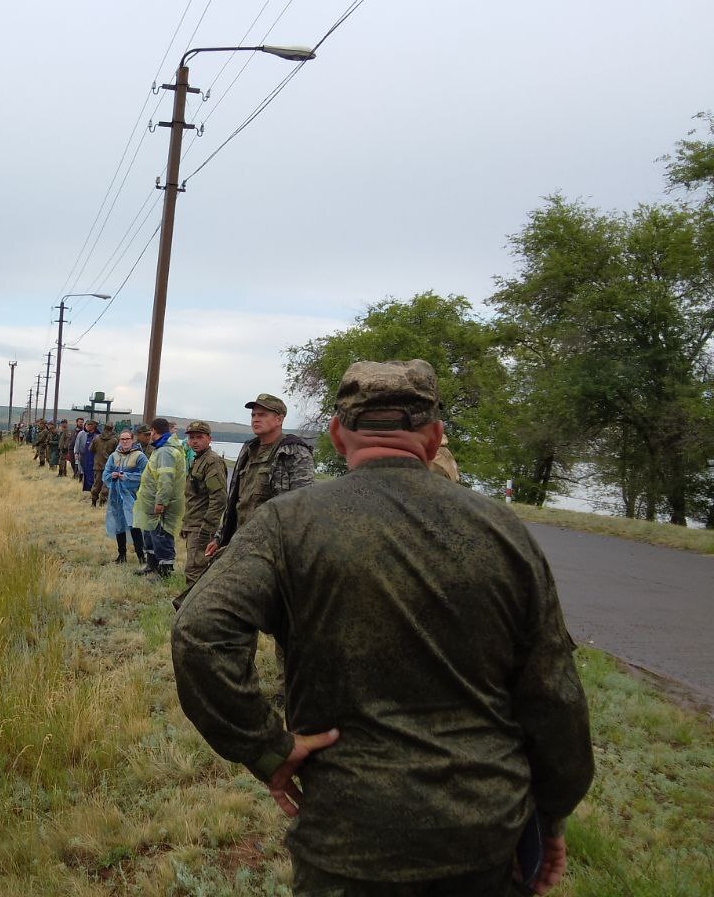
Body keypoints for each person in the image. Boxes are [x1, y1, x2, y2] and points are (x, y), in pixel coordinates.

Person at [172, 360, 593, 896]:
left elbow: (200, 634)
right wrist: (552, 816)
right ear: (435, 435)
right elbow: (555, 695)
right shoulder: (504, 530)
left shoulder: (287, 524)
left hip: (347, 837)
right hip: (485, 832)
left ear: (336, 434)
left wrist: (265, 746)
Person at [205, 393, 313, 560]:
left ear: (279, 419)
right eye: (253, 415)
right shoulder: (248, 450)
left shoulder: (293, 452)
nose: (256, 419)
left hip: (270, 549)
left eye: (262, 415)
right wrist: (220, 536)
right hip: (239, 541)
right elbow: (236, 501)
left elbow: (301, 508)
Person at [132, 416, 186, 578]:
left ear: (154, 431)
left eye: (151, 432)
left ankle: (165, 572)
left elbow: (165, 480)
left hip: (161, 504)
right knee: (150, 534)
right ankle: (151, 564)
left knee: (162, 535)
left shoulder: (165, 451)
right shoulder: (161, 448)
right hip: (151, 502)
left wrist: (161, 502)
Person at [180, 421, 227, 589]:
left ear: (209, 439)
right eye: (191, 437)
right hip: (194, 523)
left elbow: (219, 498)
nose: (194, 441)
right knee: (195, 569)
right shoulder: (198, 459)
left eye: (199, 437)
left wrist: (207, 527)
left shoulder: (212, 461)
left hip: (202, 526)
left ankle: (192, 612)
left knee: (195, 571)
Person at [103, 428, 148, 564]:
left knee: (134, 524)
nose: (124, 441)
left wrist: (127, 477)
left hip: (132, 496)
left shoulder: (139, 456)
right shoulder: (114, 456)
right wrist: (112, 475)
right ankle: (121, 555)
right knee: (119, 525)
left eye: (127, 439)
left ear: (132, 439)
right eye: (122, 439)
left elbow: (146, 475)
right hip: (116, 497)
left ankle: (141, 556)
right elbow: (105, 474)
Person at [88, 421, 117, 507]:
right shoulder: (114, 440)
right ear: (112, 429)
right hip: (110, 466)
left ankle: (93, 503)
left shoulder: (96, 438)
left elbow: (91, 449)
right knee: (106, 486)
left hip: (98, 465)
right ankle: (102, 504)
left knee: (96, 484)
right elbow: (117, 453)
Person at [72, 418, 88, 485]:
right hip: (81, 453)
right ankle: (80, 480)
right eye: (87, 425)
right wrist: (76, 453)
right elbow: (77, 443)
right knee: (80, 467)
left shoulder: (94, 435)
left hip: (89, 454)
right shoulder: (81, 433)